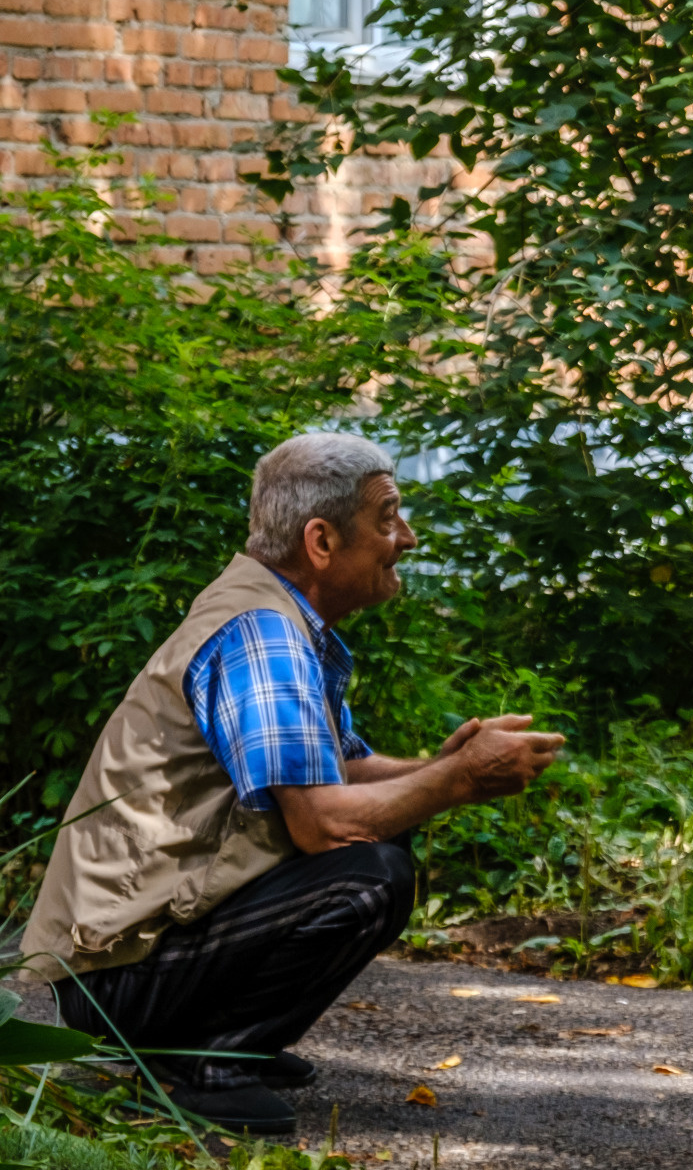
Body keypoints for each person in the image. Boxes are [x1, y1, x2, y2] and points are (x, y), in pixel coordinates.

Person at [24, 433, 565, 1136]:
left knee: (380, 846)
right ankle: (197, 1064)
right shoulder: (262, 633)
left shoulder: (271, 615)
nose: (406, 536)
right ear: (321, 541)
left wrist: (443, 763)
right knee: (366, 872)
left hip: (129, 963)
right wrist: (457, 781)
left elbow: (337, 770)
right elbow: (323, 821)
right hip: (119, 979)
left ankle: (222, 1045)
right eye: (388, 516)